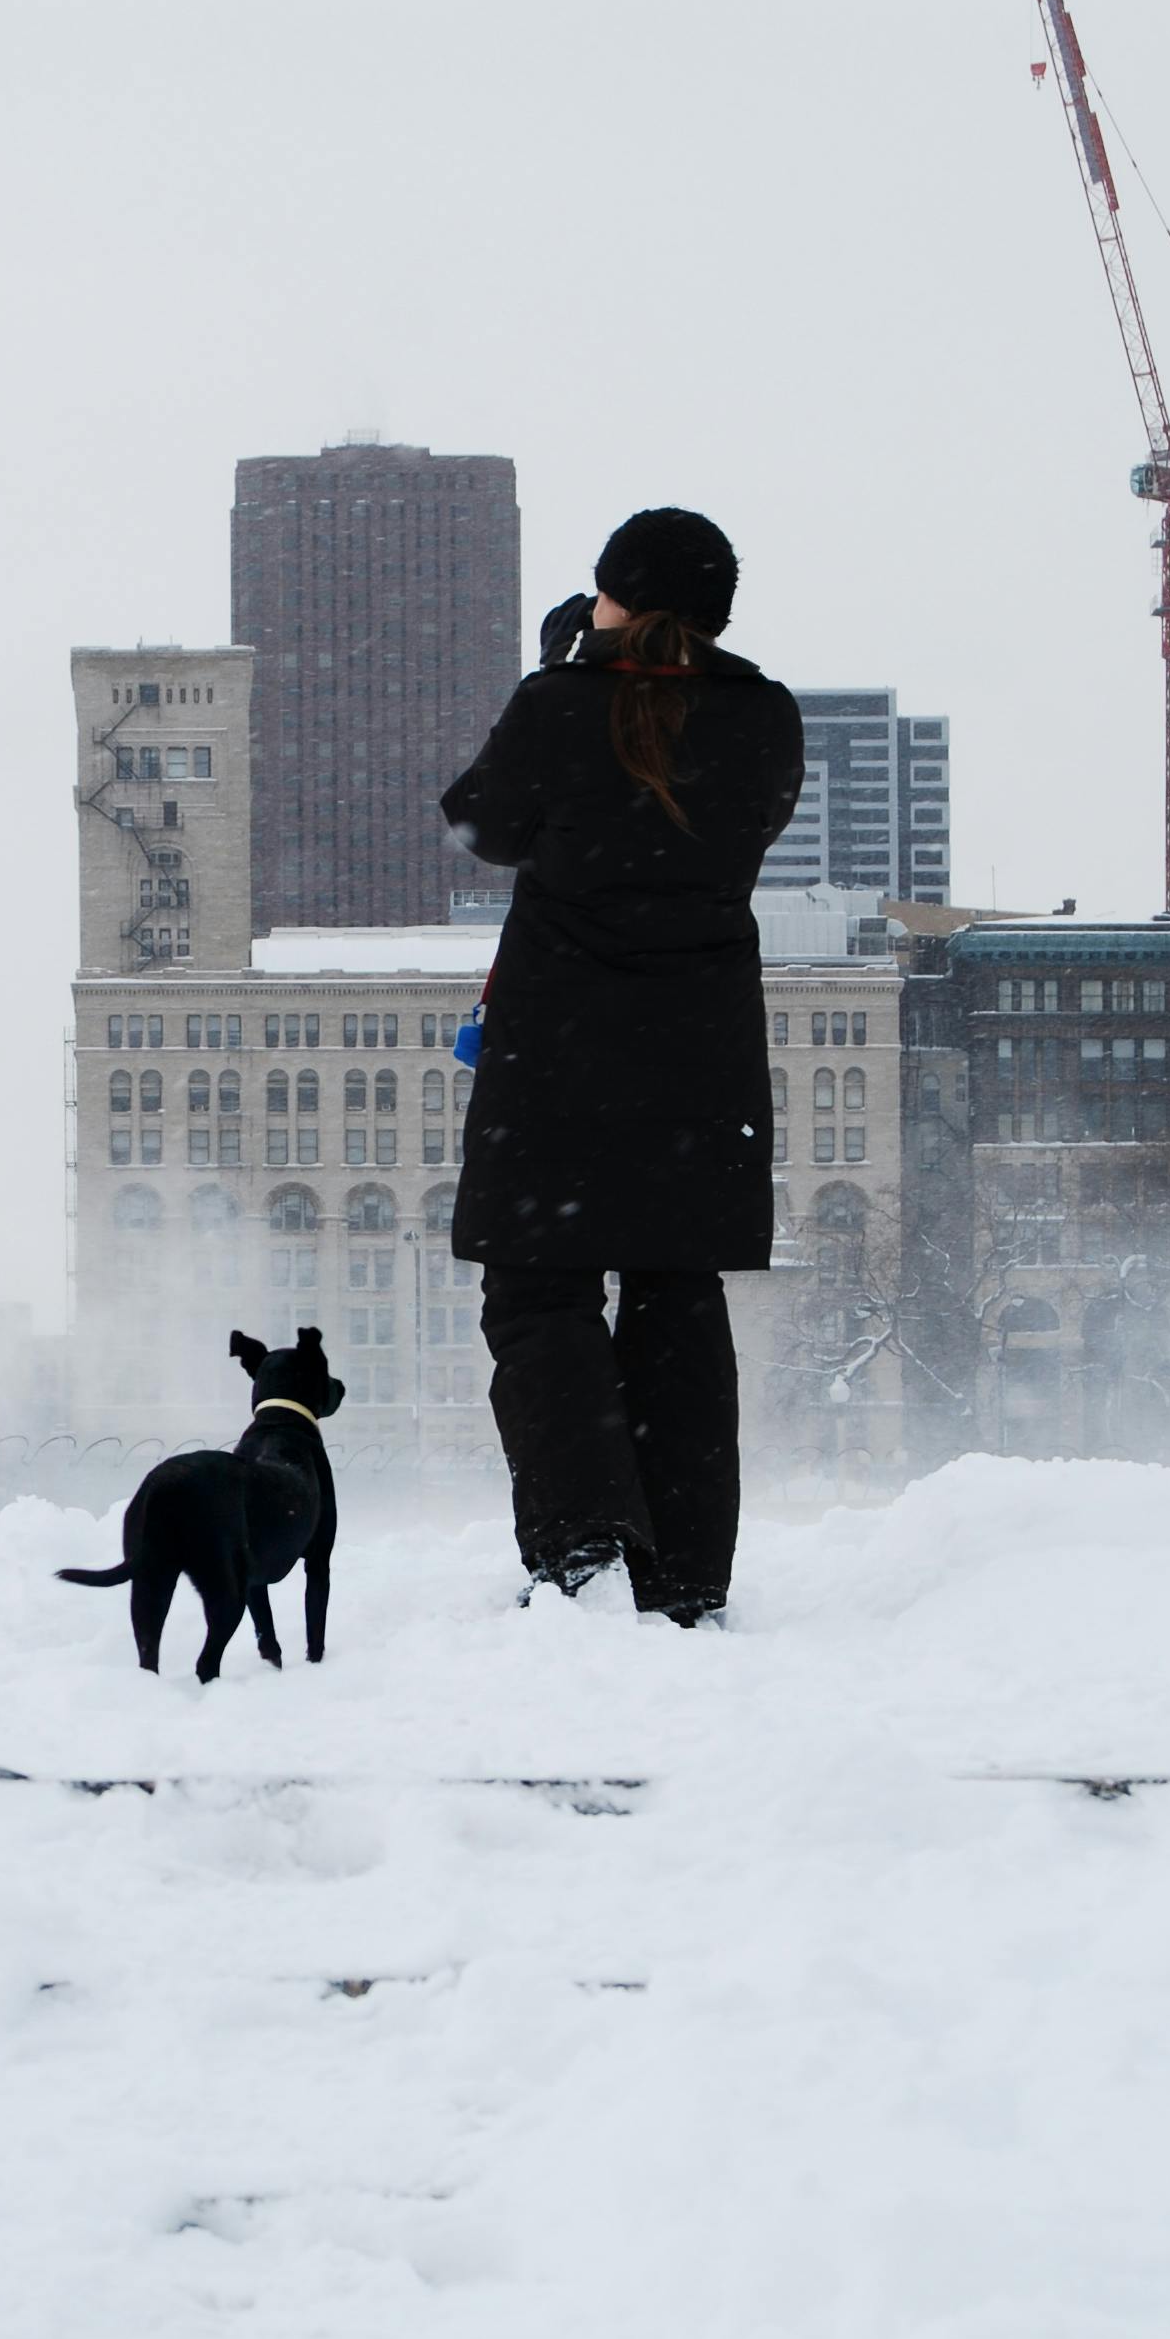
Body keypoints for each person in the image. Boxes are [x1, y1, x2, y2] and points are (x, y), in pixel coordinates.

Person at [437, 508, 805, 1627]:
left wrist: (567, 671)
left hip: (557, 1058)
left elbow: (480, 825)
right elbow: (741, 821)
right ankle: (684, 1576)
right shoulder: (764, 719)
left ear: (615, 597)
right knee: (673, 1296)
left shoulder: (556, 704)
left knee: (539, 1293)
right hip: (696, 1068)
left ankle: (583, 1545)